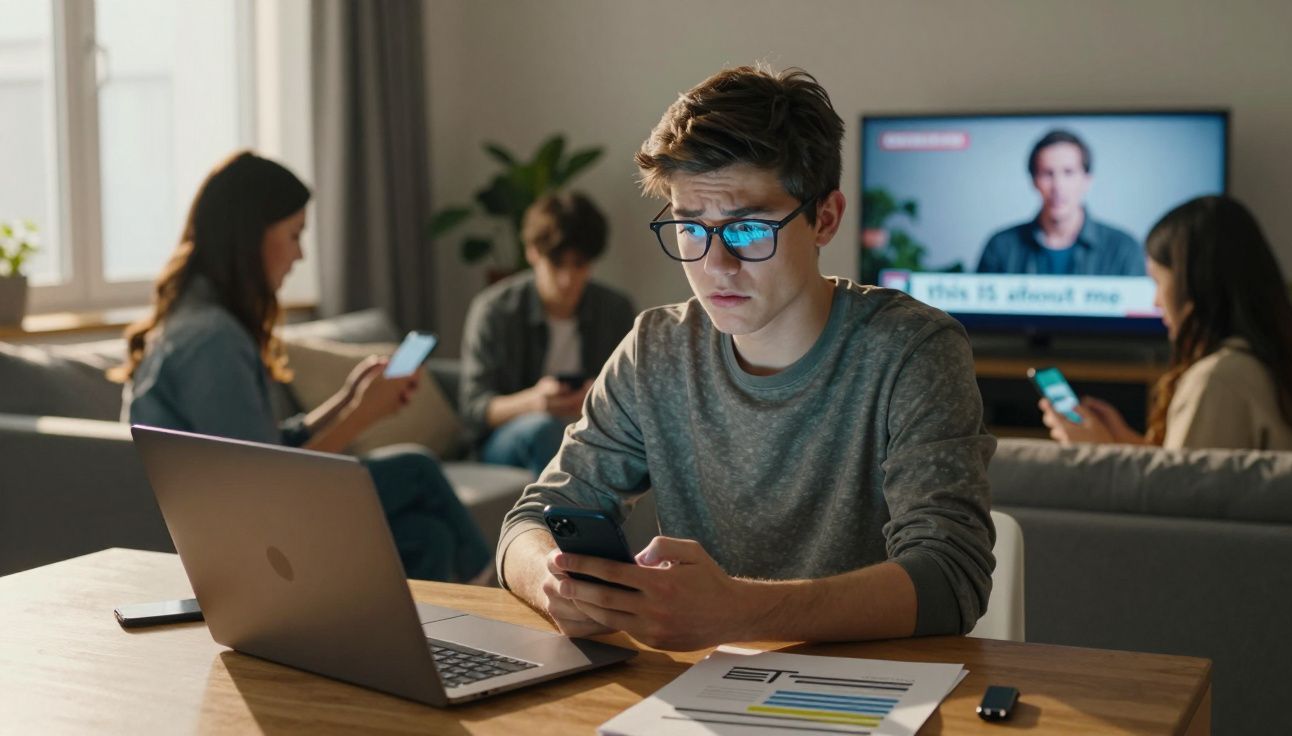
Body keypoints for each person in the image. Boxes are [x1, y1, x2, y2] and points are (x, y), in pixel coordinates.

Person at [497, 66, 996, 652]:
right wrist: (552, 582)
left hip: (876, 683)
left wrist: (738, 612)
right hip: (702, 681)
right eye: (690, 227)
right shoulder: (656, 349)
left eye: (748, 229)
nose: (716, 266)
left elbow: (950, 578)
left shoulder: (913, 350)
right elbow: (529, 522)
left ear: (825, 219)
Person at [112, 151, 492, 583]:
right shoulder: (212, 340)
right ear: (250, 235)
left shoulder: (200, 319)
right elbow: (268, 483)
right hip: (226, 534)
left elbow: (265, 447)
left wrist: (346, 399)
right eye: (294, 235)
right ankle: (494, 602)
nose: (300, 254)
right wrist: (363, 413)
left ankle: (441, 622)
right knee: (416, 470)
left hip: (231, 514)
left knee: (426, 537)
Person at [1041, 195, 1292, 450]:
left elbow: (1180, 485)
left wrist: (1098, 452)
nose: (1156, 302)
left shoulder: (1218, 380)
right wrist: (1122, 443)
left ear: (1193, 285)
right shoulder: (1270, 362)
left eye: (1158, 282)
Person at [460, 191, 636, 476]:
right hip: (510, 439)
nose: (568, 279)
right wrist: (535, 402)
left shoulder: (615, 309)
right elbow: (474, 410)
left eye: (579, 265)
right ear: (532, 252)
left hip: (590, 431)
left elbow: (635, 398)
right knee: (544, 430)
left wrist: (598, 398)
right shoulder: (496, 310)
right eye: (557, 264)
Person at [976, 130, 1143, 276]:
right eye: (1047, 173)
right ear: (1034, 181)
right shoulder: (1001, 247)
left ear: (1087, 180)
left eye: (1068, 172)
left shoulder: (1123, 249)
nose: (1058, 186)